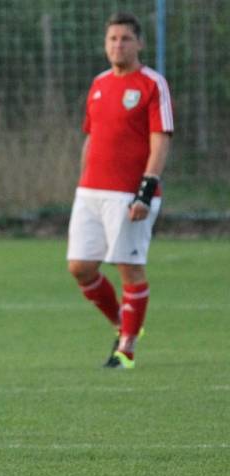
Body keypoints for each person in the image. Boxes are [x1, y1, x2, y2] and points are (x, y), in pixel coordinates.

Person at [66, 12, 173, 369]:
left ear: (139, 43)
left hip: (129, 194)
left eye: (125, 39)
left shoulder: (151, 84)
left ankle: (126, 349)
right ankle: (122, 323)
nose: (118, 45)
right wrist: (82, 182)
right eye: (112, 39)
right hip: (90, 192)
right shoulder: (98, 84)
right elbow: (91, 137)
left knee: (129, 267)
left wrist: (146, 188)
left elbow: (160, 140)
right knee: (80, 267)